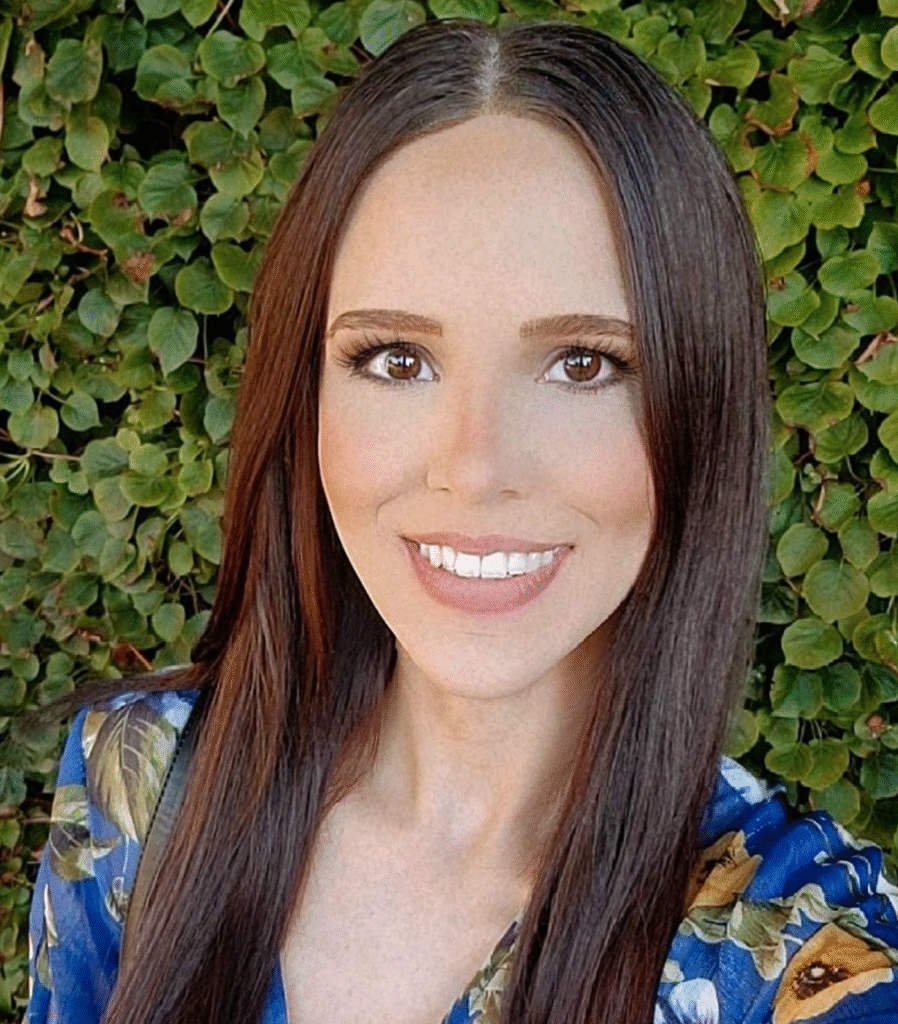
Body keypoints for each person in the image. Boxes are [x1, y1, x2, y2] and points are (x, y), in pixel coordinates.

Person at [24, 16, 898, 1024]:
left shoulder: (800, 954)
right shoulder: (136, 785)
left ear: (700, 408)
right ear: (306, 395)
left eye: (583, 364)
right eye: (397, 359)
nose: (474, 468)